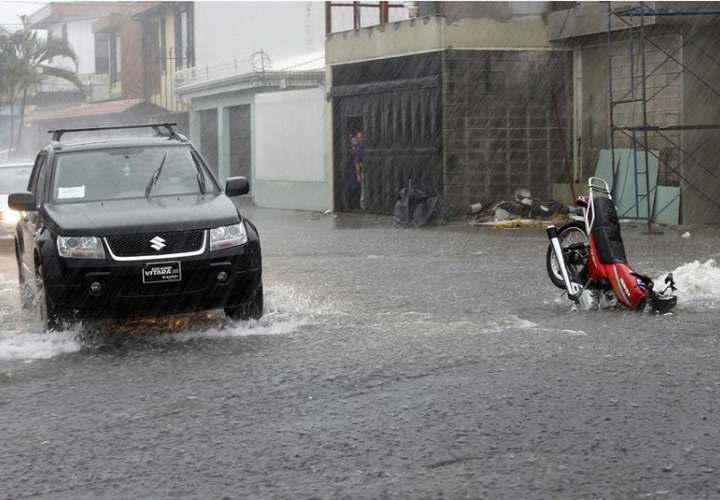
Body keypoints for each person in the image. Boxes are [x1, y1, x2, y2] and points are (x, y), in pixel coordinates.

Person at [346, 134, 360, 209]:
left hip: (355, 170)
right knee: (351, 187)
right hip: (351, 170)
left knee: (356, 187)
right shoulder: (349, 149)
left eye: (355, 140)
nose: (354, 142)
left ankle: (355, 204)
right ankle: (351, 204)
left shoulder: (358, 148)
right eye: (353, 140)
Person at [355, 131, 366, 210]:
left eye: (361, 137)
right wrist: (358, 174)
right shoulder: (359, 148)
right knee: (364, 189)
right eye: (359, 137)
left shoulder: (363, 147)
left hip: (365, 170)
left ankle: (364, 205)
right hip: (363, 171)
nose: (360, 139)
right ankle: (363, 205)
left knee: (364, 188)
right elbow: (357, 162)